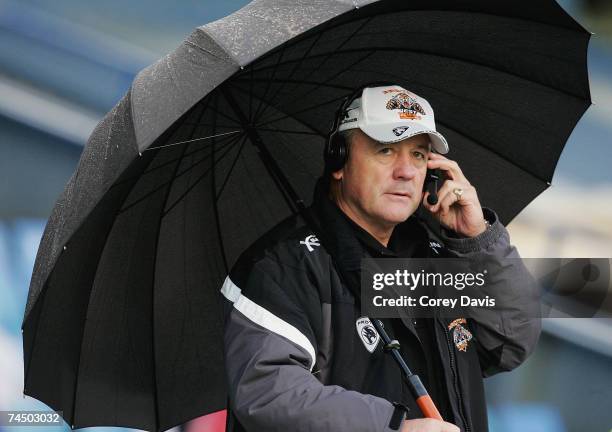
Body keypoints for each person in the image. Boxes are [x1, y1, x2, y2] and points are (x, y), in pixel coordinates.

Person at [220, 84, 541, 432]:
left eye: (418, 155)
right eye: (386, 150)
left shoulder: (432, 255)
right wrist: (393, 426)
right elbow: (268, 393)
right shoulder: (284, 266)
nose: (406, 171)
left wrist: (478, 240)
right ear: (339, 161)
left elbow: (509, 343)